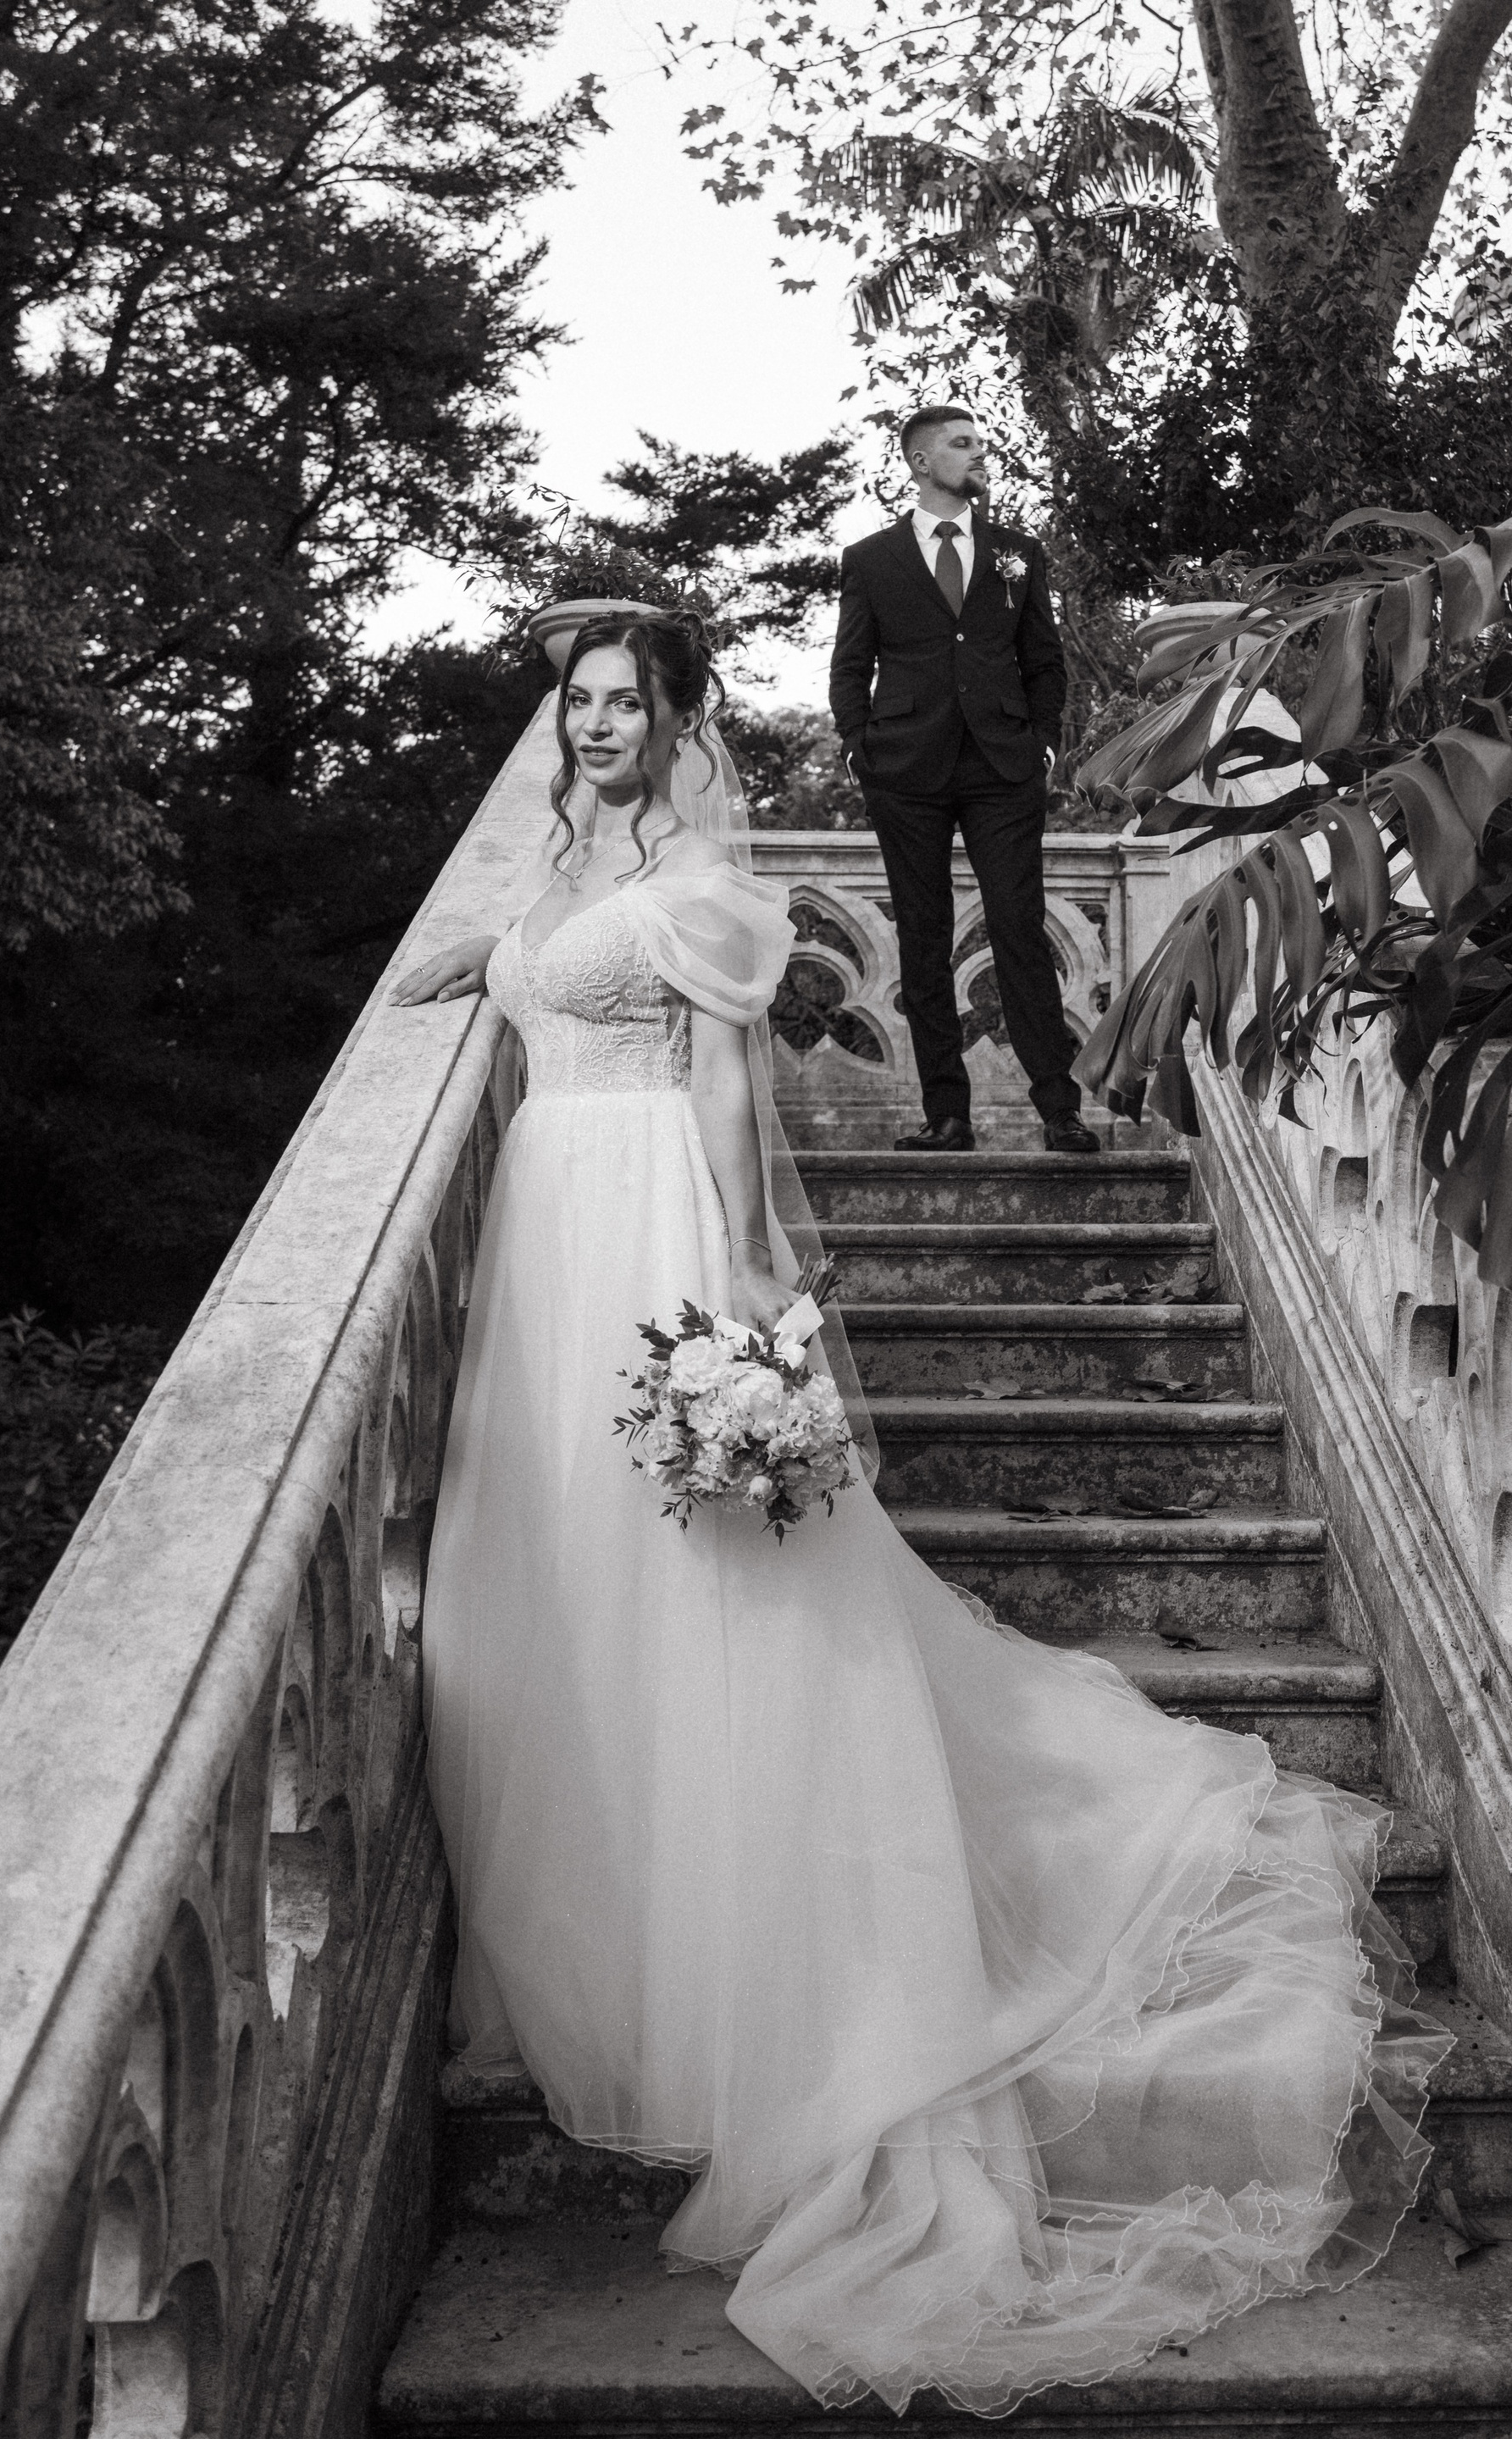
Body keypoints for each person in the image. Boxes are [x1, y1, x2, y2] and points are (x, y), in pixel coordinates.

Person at [390, 605, 1445, 2419]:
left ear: (678, 722)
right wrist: (477, 953)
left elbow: (724, 1080)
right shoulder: (555, 870)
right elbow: (540, 968)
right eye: (579, 705)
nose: (601, 726)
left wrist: (742, 1287)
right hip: (537, 1251)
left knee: (708, 1588)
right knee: (552, 1589)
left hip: (642, 1227)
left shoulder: (704, 886)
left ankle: (757, 1953)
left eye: (628, 703)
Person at [829, 404, 1099, 1154]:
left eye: (981, 442)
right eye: (963, 443)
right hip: (904, 769)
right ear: (921, 461)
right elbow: (850, 665)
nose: (981, 453)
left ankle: (1059, 1110)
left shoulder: (1018, 552)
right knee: (924, 938)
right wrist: (858, 750)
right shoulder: (870, 559)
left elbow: (1044, 660)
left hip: (1001, 767)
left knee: (1020, 929)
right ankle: (947, 1114)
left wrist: (1044, 746)